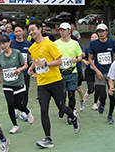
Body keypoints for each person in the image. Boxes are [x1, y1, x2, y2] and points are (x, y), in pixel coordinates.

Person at [27, 19, 81, 148]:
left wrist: (45, 63)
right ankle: (48, 139)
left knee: (61, 107)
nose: (31, 32)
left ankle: (73, 117)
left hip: (56, 81)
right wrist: (31, 68)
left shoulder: (49, 44)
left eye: (33, 29)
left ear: (40, 29)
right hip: (42, 84)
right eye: (29, 30)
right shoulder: (32, 47)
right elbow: (36, 61)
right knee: (43, 110)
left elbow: (59, 62)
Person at [0, 34, 35, 134]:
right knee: (10, 105)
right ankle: (15, 125)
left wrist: (19, 69)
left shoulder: (17, 53)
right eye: (1, 44)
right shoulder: (0, 55)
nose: (3, 46)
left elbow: (25, 65)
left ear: (9, 43)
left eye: (4, 43)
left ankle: (27, 111)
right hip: (7, 83)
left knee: (18, 105)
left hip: (18, 82)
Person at [87, 24, 115, 124]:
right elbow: (90, 58)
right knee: (103, 95)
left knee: (112, 95)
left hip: (111, 73)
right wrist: (96, 70)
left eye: (103, 31)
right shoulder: (93, 44)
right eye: (99, 31)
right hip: (100, 73)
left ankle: (110, 115)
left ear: (106, 31)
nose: (101, 33)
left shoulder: (112, 42)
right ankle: (102, 103)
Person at [55, 23, 83, 124]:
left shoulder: (75, 43)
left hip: (72, 72)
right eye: (60, 29)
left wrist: (77, 59)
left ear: (69, 31)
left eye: (64, 29)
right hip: (60, 73)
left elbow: (80, 55)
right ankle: (62, 107)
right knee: (62, 95)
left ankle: (70, 115)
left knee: (71, 95)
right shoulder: (55, 43)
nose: (62, 31)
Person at [11, 23, 32, 121]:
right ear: (14, 33)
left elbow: (32, 57)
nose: (18, 33)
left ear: (23, 32)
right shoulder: (11, 44)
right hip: (14, 72)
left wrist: (32, 66)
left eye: (20, 31)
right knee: (15, 91)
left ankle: (23, 111)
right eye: (16, 31)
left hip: (25, 72)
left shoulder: (28, 44)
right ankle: (15, 109)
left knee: (25, 91)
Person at [82, 32, 99, 110]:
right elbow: (80, 56)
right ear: (90, 39)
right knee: (91, 89)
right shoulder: (88, 49)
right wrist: (85, 61)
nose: (94, 38)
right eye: (92, 37)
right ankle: (88, 93)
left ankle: (95, 103)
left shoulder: (101, 48)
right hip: (89, 71)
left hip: (98, 70)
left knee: (98, 88)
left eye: (96, 37)